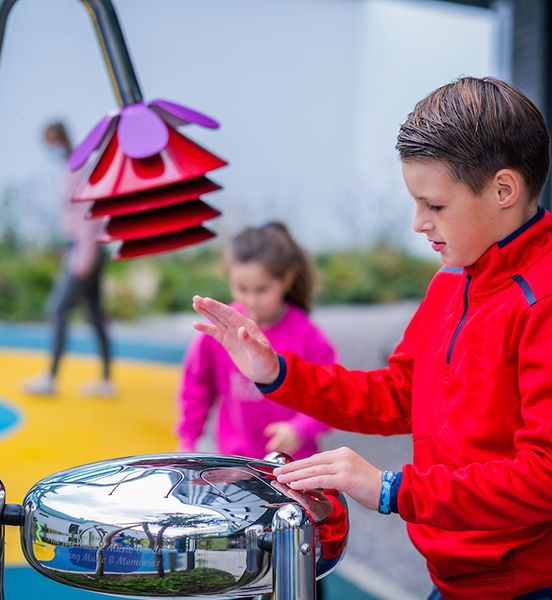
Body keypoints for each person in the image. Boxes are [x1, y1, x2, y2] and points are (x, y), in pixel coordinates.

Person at [190, 77, 552, 599]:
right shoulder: (452, 279)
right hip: (457, 580)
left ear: (503, 190)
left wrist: (390, 488)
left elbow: (544, 476)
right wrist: (276, 373)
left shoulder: (542, 300)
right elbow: (397, 394)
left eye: (436, 205)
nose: (417, 223)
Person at [177, 222, 336, 460]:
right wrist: (187, 440)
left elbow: (332, 396)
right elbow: (196, 389)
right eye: (241, 288)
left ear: (287, 280)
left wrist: (301, 429)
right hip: (236, 465)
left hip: (295, 464)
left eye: (261, 290)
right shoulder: (219, 331)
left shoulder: (308, 336)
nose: (251, 300)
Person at [23, 121, 115, 398]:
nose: (49, 148)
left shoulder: (78, 168)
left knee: (58, 309)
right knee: (94, 314)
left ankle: (50, 377)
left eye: (52, 141)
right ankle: (106, 379)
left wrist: (82, 258)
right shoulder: (73, 169)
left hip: (85, 251)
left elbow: (88, 216)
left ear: (63, 139)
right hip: (85, 249)